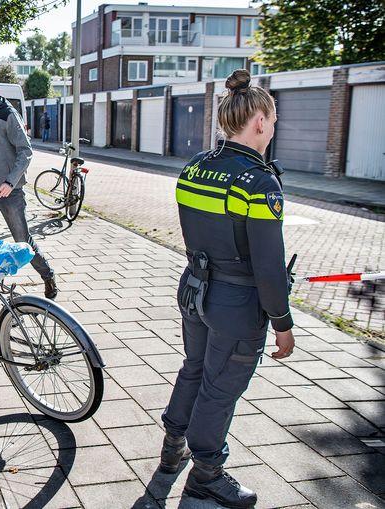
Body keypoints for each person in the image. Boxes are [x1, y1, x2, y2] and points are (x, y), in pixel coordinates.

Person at [159, 69, 295, 509]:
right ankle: (207, 475)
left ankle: (172, 449)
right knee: (219, 389)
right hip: (236, 304)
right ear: (259, 121)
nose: (272, 129)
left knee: (194, 368)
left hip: (194, 289)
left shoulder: (195, 166)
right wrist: (283, 323)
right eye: (272, 121)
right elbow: (269, 267)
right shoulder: (259, 182)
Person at [0, 73, 58, 299]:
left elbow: (26, 151)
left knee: (22, 240)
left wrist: (9, 181)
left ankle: (48, 275)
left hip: (9, 192)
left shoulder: (8, 115)